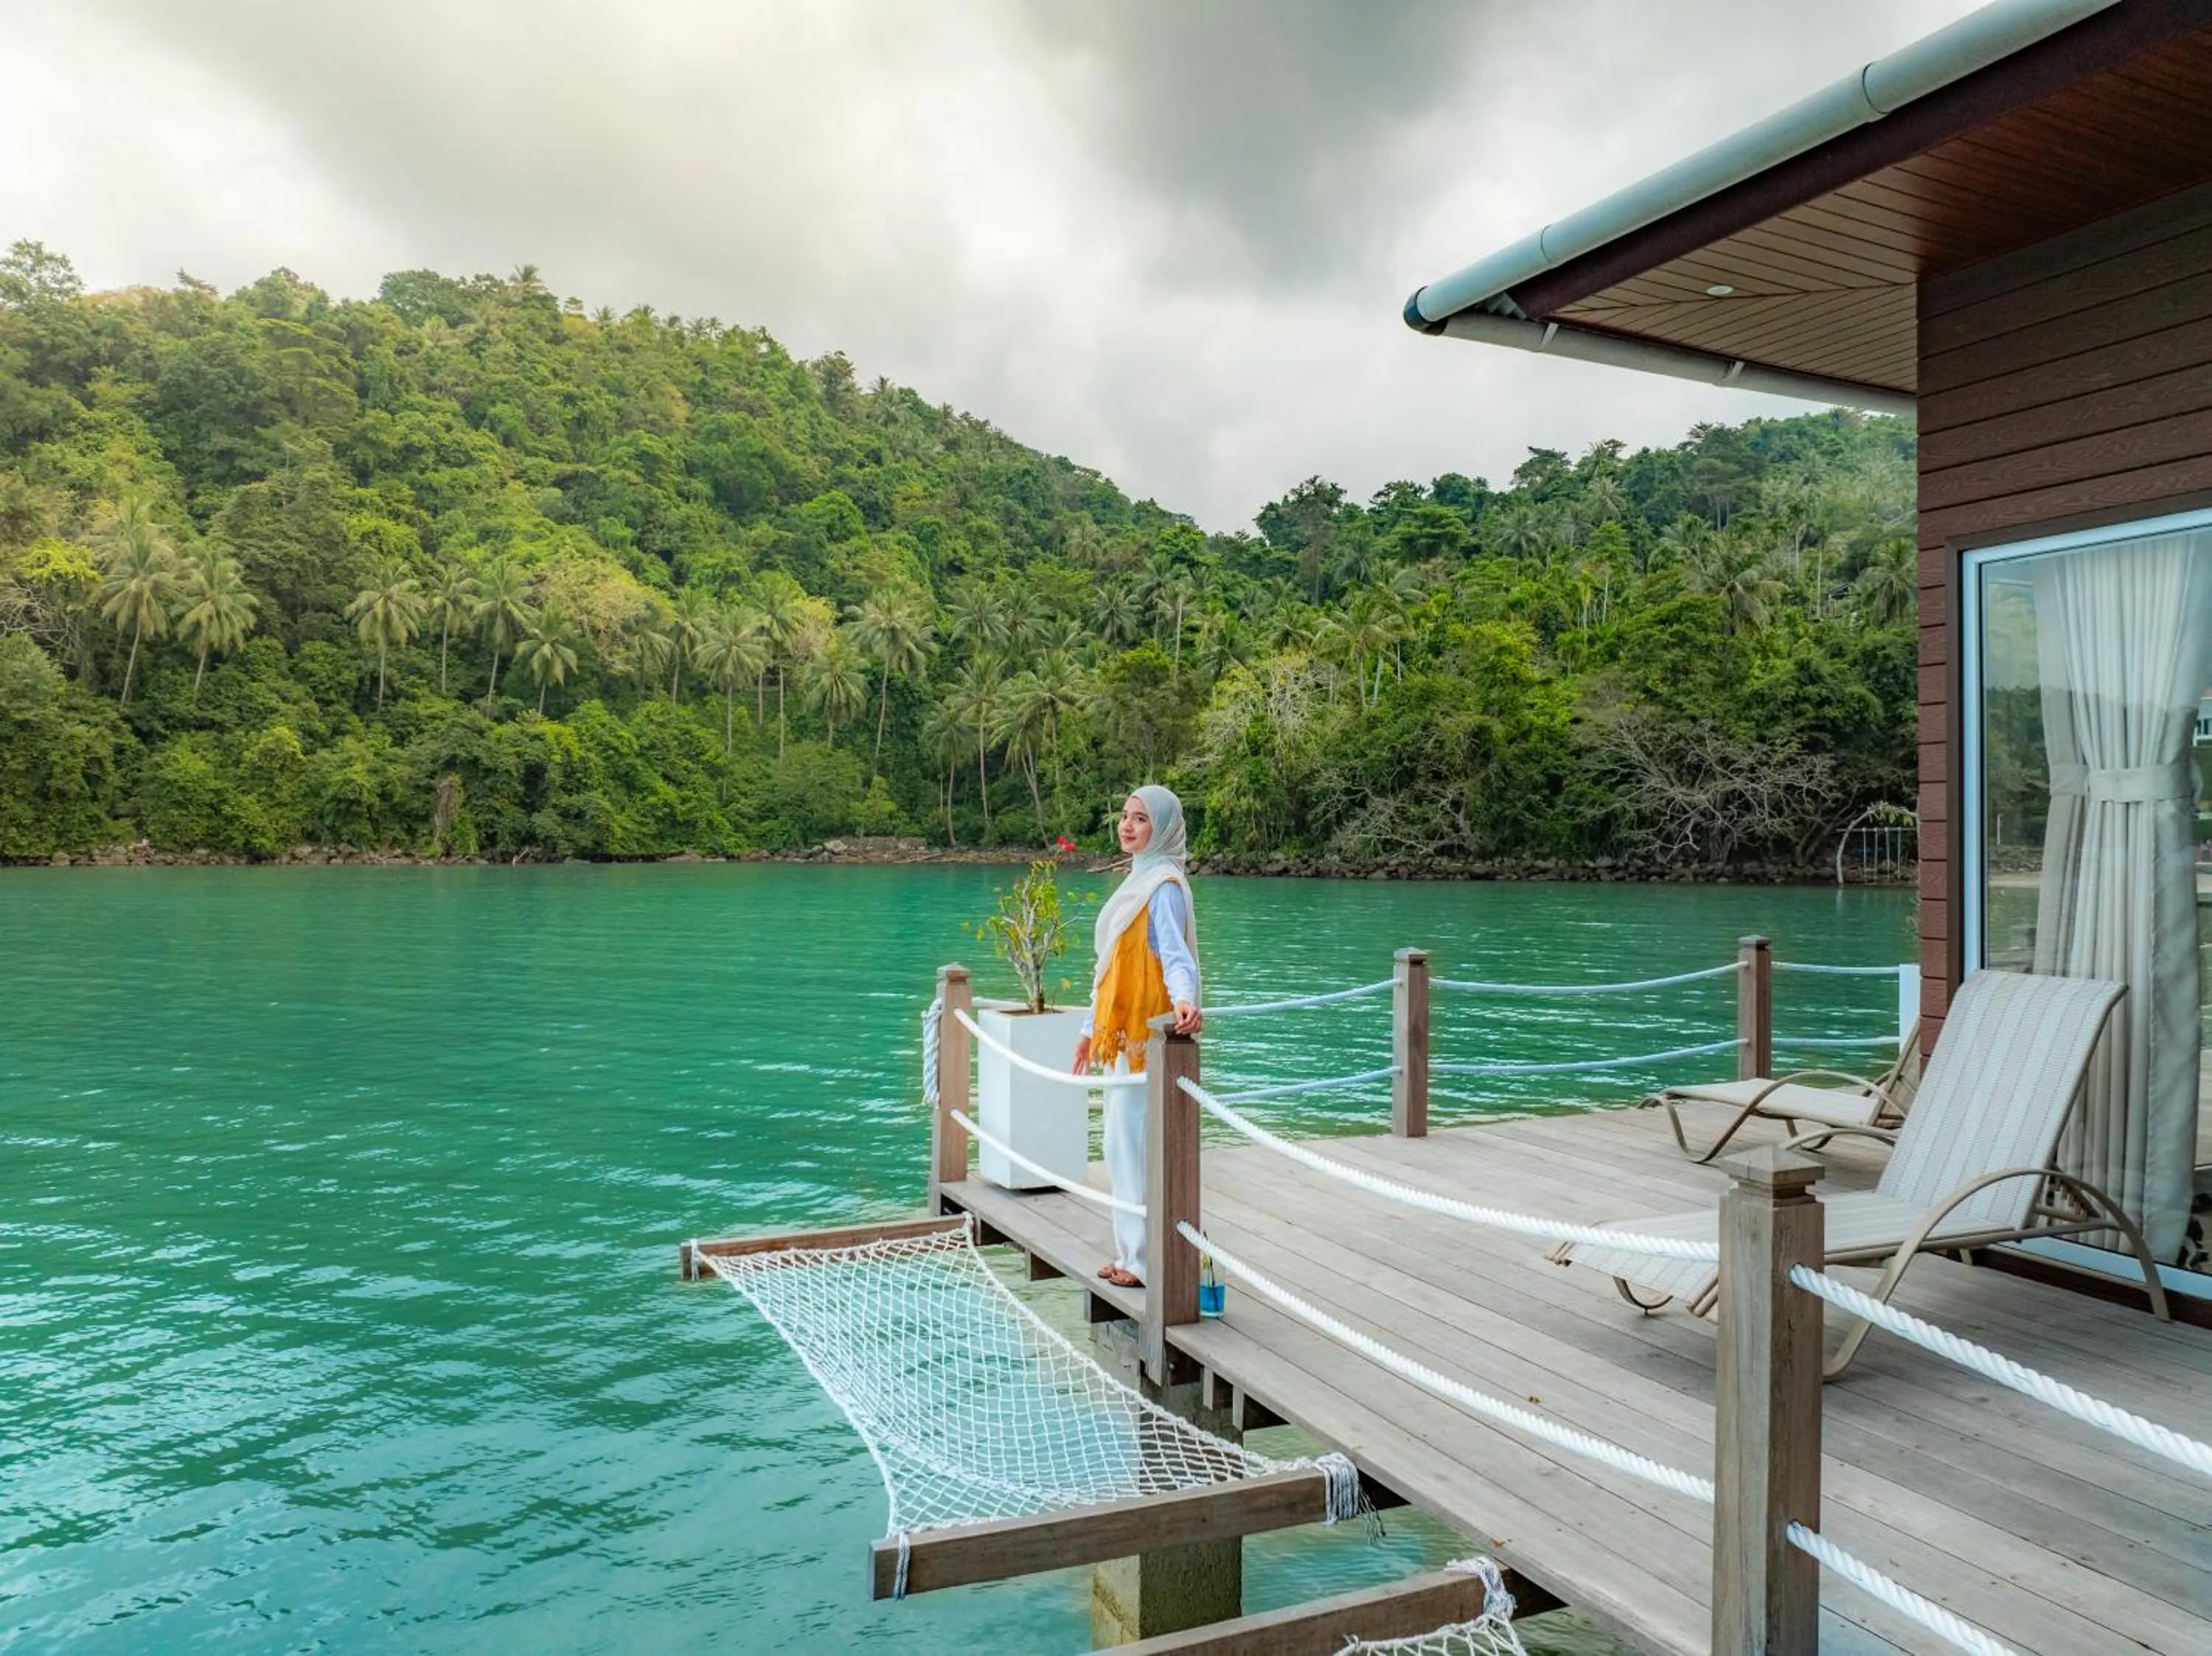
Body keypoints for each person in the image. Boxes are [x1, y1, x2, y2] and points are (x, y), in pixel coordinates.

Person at [1071, 785, 1201, 1289]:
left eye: (1141, 819)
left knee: (1132, 1150)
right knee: (1119, 1147)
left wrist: (1184, 999)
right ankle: (1131, 1254)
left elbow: (1174, 956)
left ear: (1162, 828)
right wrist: (1088, 1031)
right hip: (1119, 1036)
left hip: (1146, 1040)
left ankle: (1144, 1261)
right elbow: (1110, 969)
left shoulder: (1162, 886)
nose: (1127, 826)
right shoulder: (1137, 881)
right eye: (1125, 816)